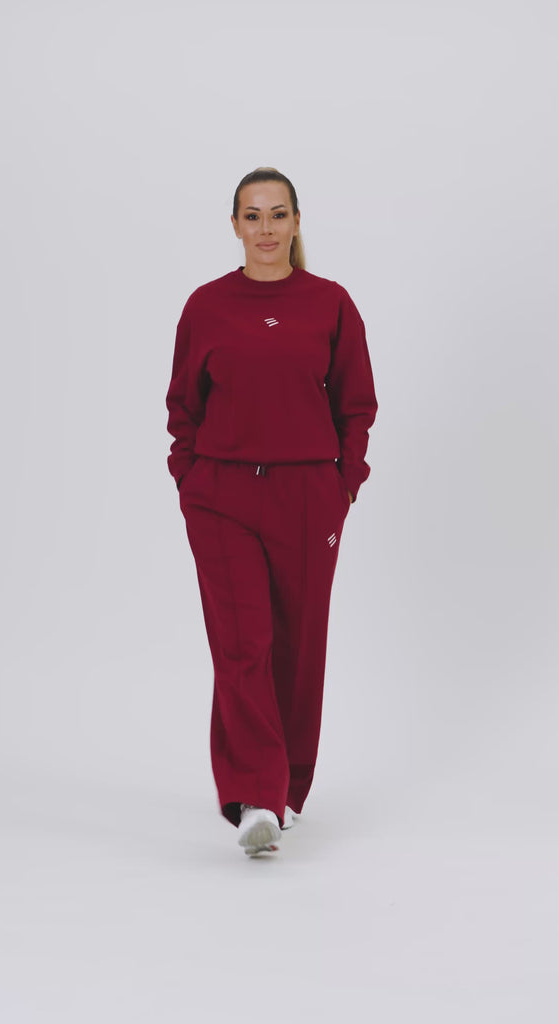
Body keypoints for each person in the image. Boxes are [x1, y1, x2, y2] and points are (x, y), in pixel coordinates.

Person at [165, 167, 378, 856]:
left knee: (297, 643)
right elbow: (183, 405)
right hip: (221, 494)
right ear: (235, 225)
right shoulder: (206, 306)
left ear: (296, 222)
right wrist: (188, 477)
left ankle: (287, 785)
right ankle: (254, 796)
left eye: (277, 214)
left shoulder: (330, 304)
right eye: (252, 216)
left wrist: (345, 483)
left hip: (308, 493)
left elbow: (356, 403)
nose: (265, 228)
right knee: (242, 643)